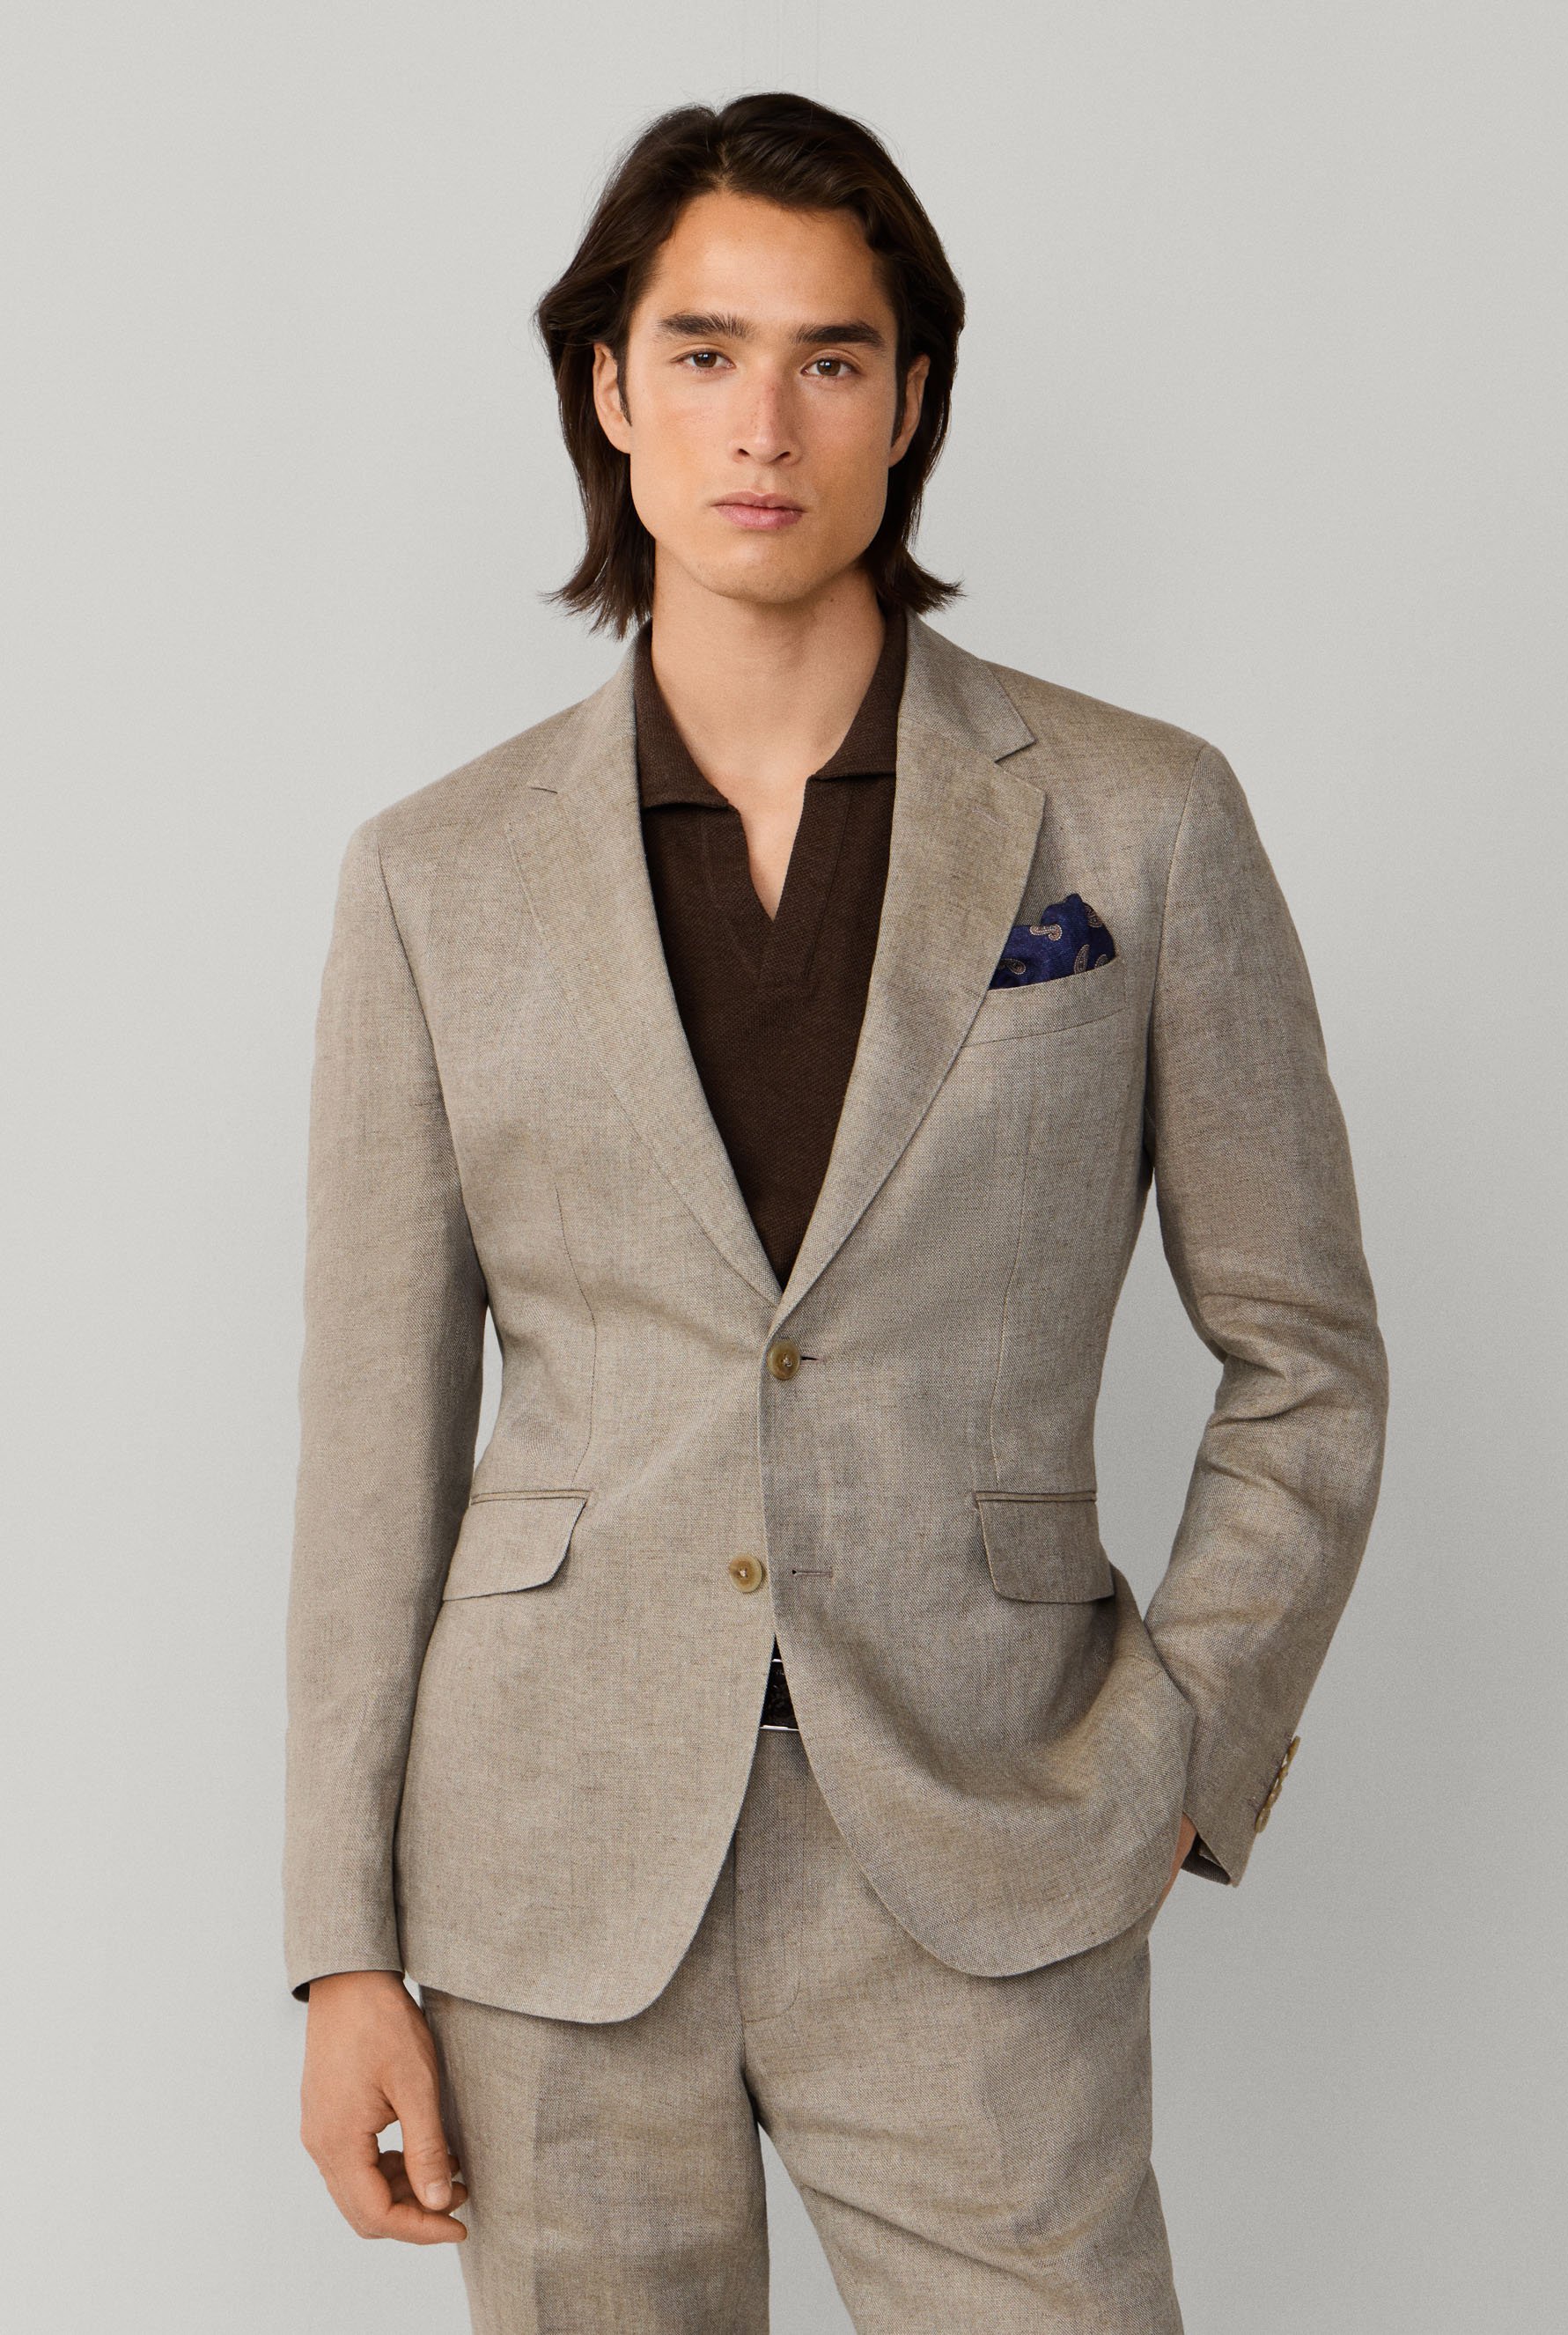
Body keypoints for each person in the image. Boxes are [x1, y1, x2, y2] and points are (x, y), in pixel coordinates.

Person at [285, 90, 1388, 2333]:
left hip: (987, 1836)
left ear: (913, 398)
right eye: (703, 352)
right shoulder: (435, 878)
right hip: (555, 1877)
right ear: (611, 391)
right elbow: (373, 1447)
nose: (762, 423)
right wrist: (341, 1946)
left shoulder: (1142, 820)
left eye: (831, 357)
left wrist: (1185, 1744)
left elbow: (1306, 1358)